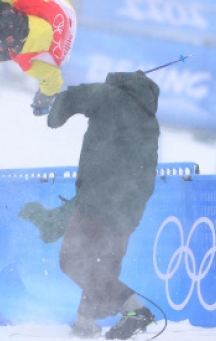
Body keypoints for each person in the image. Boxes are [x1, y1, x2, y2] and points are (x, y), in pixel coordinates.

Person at [19, 70, 161, 339]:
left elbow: (73, 96)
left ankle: (136, 308)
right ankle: (85, 325)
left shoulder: (110, 94)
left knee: (71, 261)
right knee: (102, 269)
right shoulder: (150, 119)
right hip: (129, 209)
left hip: (98, 200)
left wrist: (49, 109)